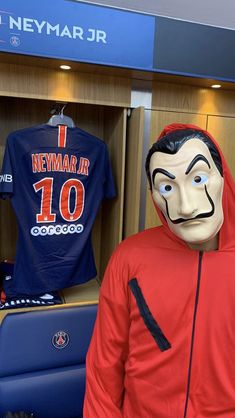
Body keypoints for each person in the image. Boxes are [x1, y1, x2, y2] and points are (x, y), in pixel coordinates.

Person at [83, 123, 235, 417]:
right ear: (152, 193)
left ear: (222, 177)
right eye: (167, 186)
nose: (187, 206)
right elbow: (104, 368)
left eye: (198, 178)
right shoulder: (130, 257)